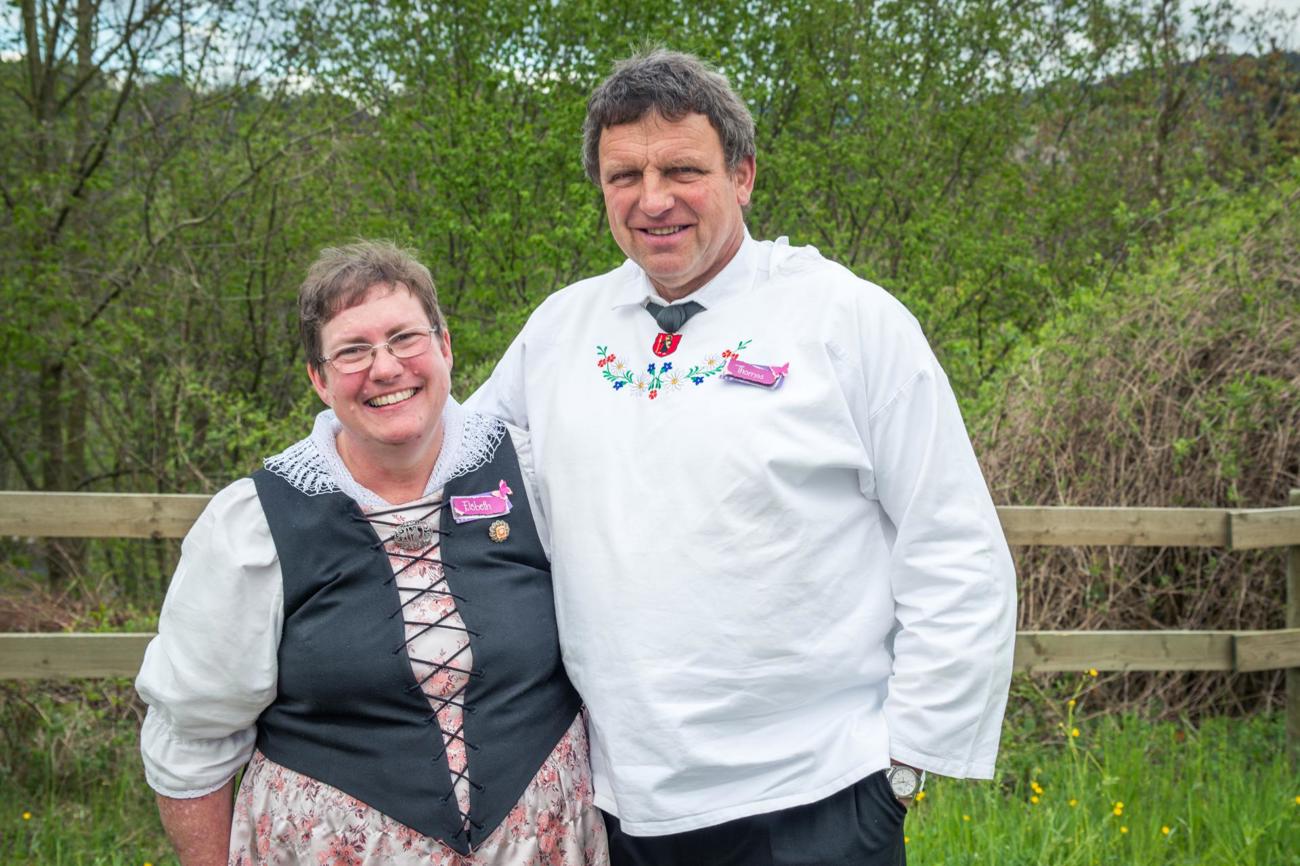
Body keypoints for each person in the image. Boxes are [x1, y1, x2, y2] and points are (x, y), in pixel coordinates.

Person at [467, 50, 1017, 865]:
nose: (653, 200)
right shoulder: (559, 331)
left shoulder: (847, 321)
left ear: (744, 176)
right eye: (625, 176)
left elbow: (954, 547)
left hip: (819, 799)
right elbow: (446, 469)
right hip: (623, 801)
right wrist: (329, 446)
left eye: (682, 169)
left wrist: (902, 770)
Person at [136, 241, 608, 865]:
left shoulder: (532, 474)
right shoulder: (255, 523)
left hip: (542, 847)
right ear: (319, 379)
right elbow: (194, 736)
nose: (385, 369)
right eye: (352, 351)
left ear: (445, 347)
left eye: (405, 338)